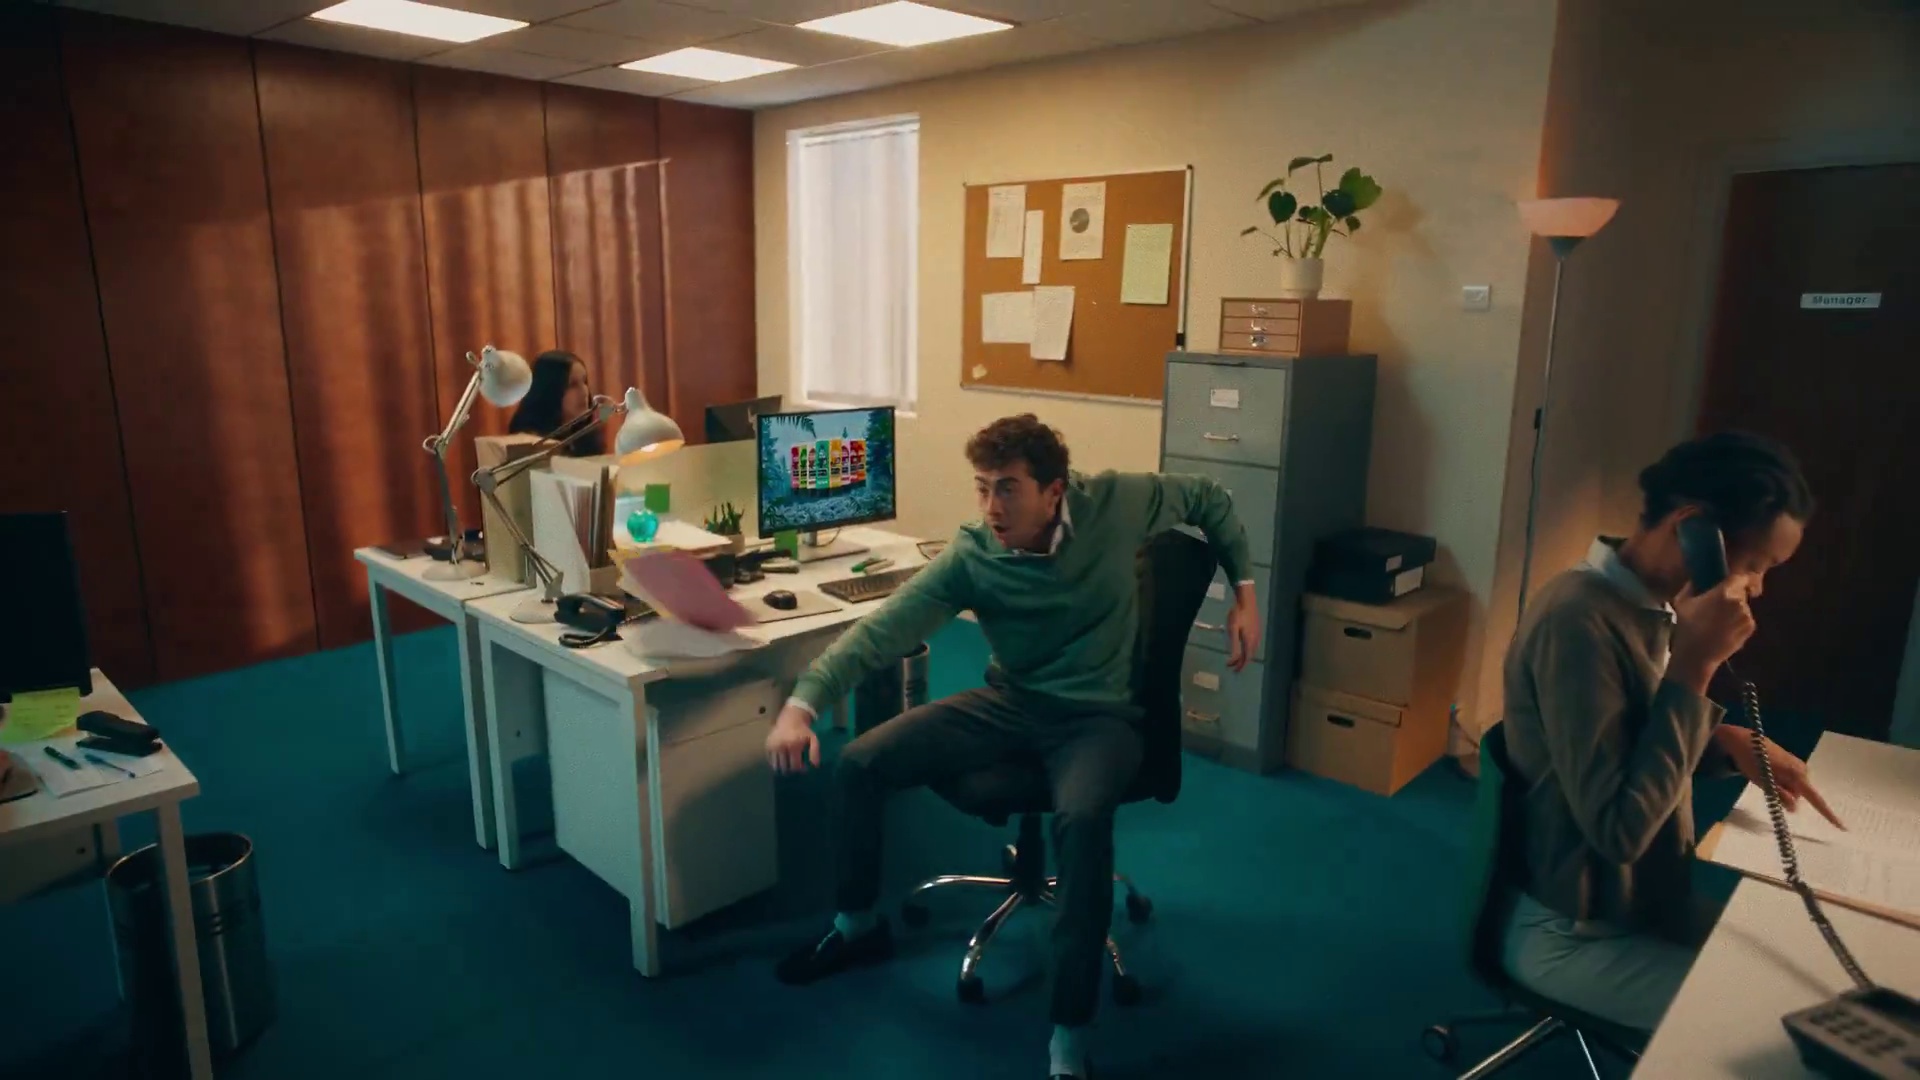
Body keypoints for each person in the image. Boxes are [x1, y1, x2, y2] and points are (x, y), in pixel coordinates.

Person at [764, 414, 1261, 1080]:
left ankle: (1069, 1038)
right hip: (1011, 703)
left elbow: (1210, 498)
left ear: (1054, 492)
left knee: (1082, 820)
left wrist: (1244, 593)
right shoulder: (975, 554)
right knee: (860, 762)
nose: (991, 507)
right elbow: (882, 631)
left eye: (1007, 488)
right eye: (982, 487)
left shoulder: (1116, 501)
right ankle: (856, 927)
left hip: (1098, 717)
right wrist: (803, 704)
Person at [1499, 430, 1841, 1032]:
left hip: (1644, 903)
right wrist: (1694, 667)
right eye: (1755, 565)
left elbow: (1628, 736)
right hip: (1577, 931)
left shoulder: (1647, 608)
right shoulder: (1578, 621)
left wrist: (1724, 741)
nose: (1758, 587)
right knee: (1779, 1027)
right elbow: (1617, 829)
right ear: (1692, 530)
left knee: (1813, 978)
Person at [509, 350, 603, 456]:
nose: (584, 392)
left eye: (584, 381)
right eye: (572, 385)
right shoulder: (530, 441)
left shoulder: (585, 434)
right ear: (549, 390)